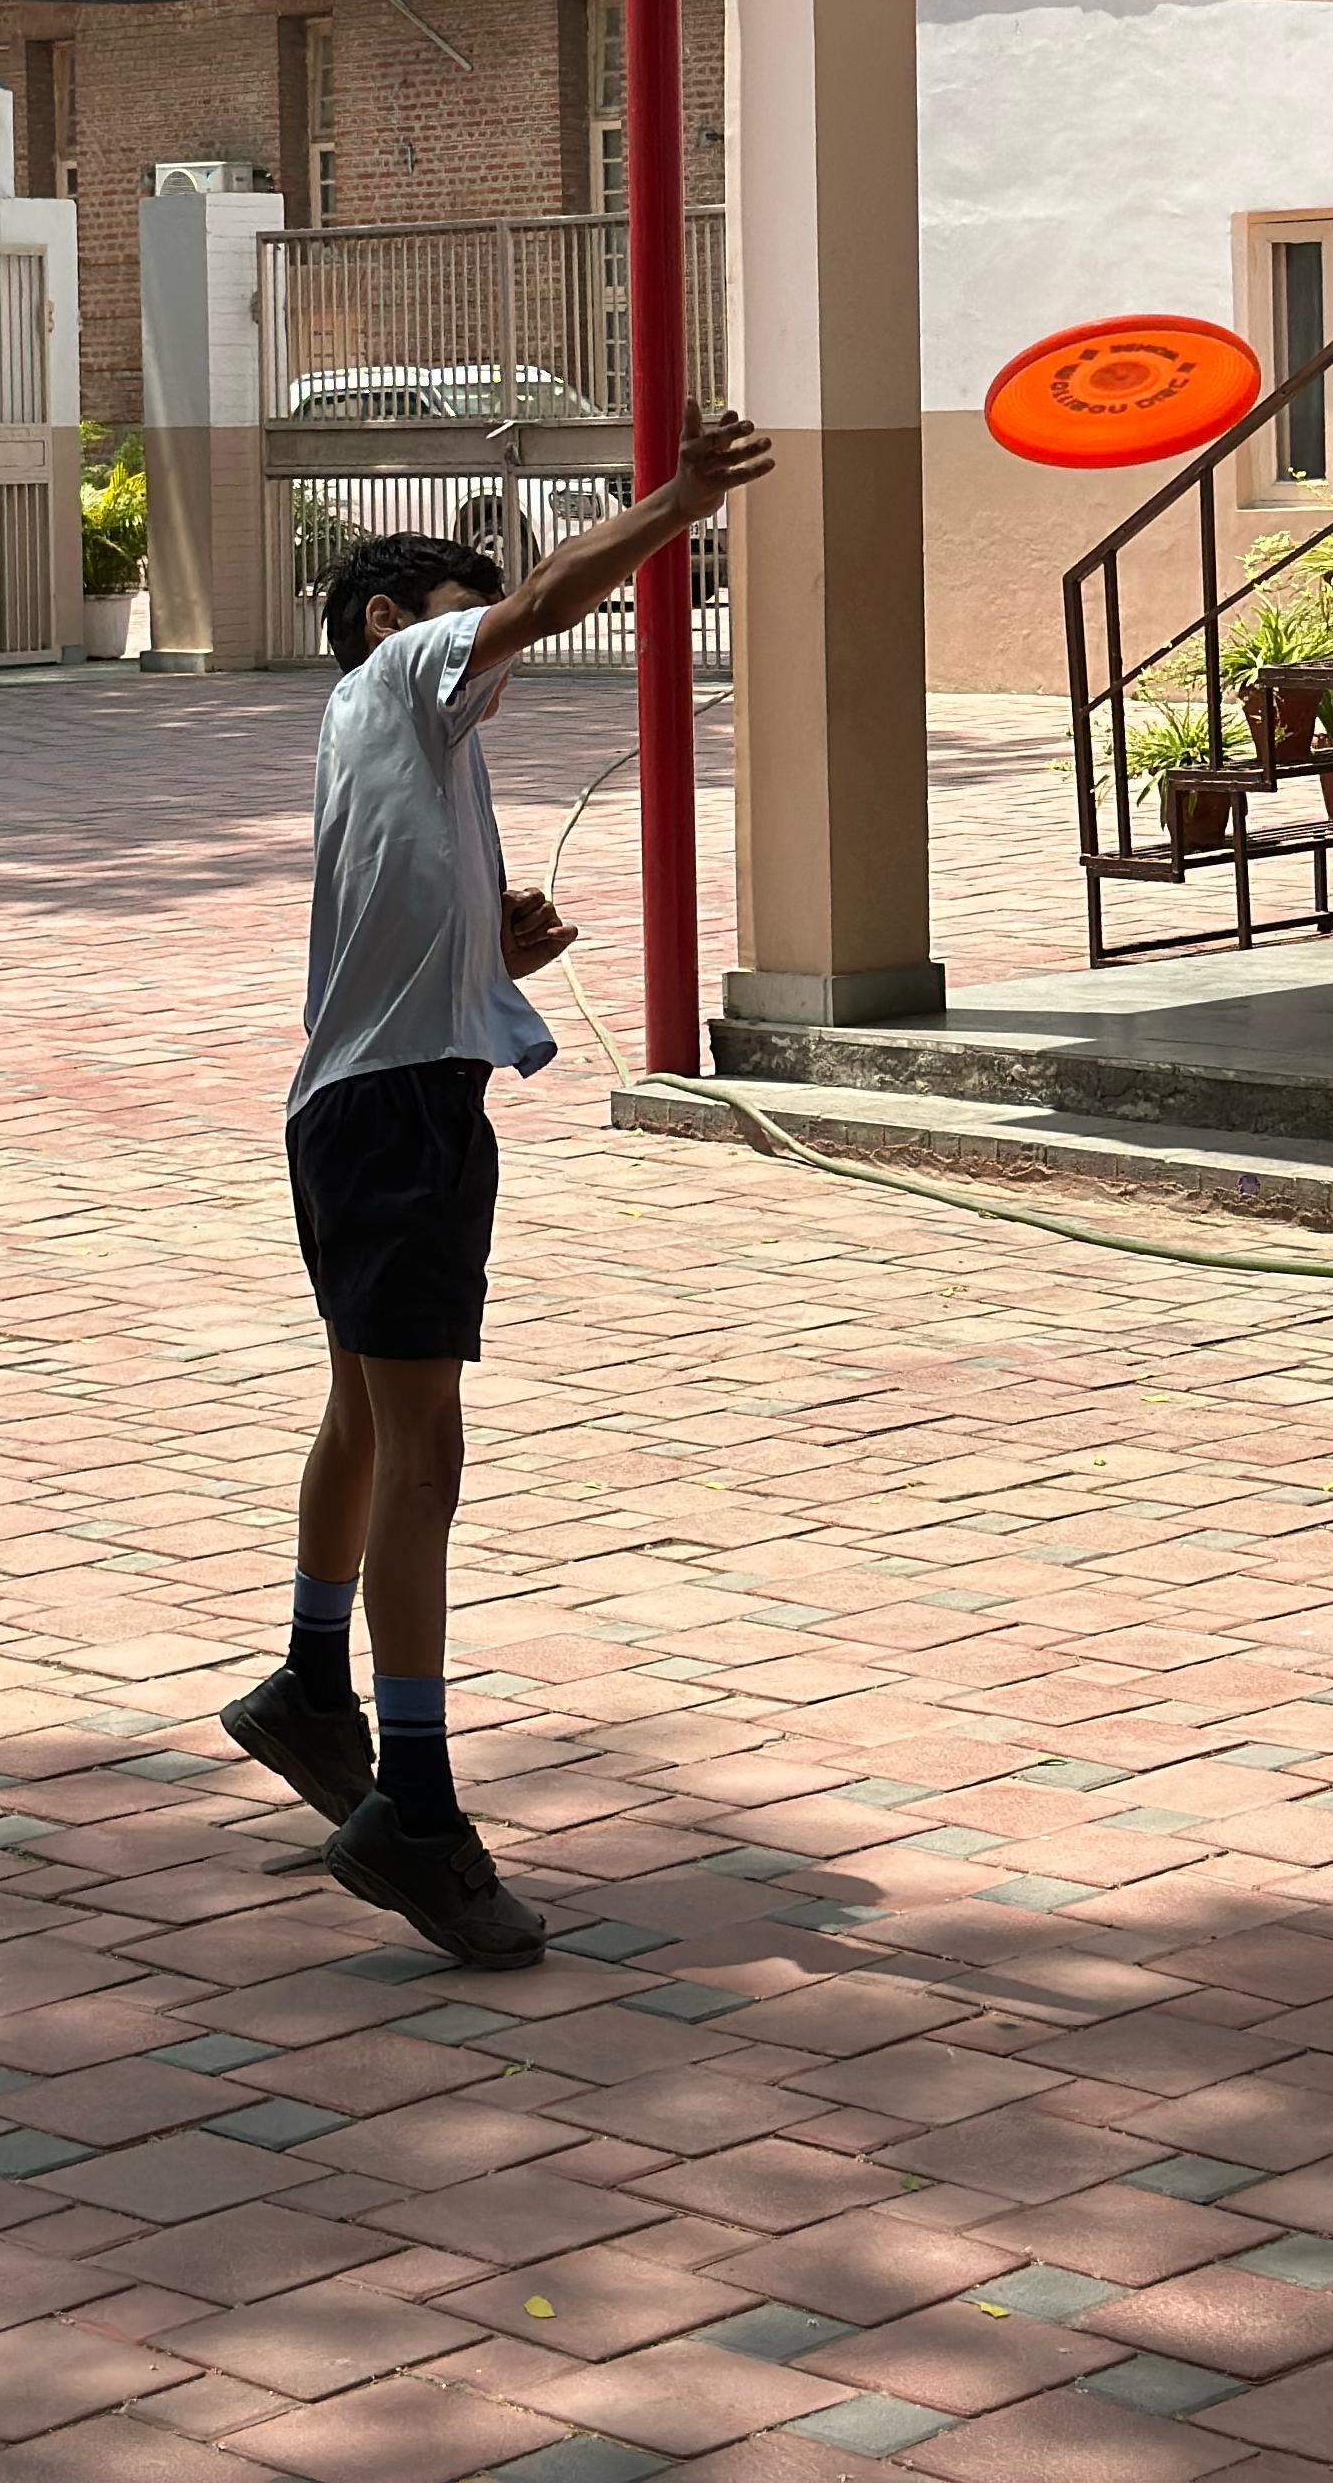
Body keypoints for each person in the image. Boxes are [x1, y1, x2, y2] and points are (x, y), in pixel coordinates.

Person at [222, 396, 774, 1968]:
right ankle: (416, 1805)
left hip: (362, 1106)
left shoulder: (401, 742)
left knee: (364, 1420)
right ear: (389, 617)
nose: (500, 646)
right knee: (426, 1465)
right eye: (470, 615)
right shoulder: (400, 674)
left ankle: (311, 1683)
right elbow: (544, 598)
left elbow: (398, 933)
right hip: (396, 1123)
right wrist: (675, 503)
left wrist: (492, 955)